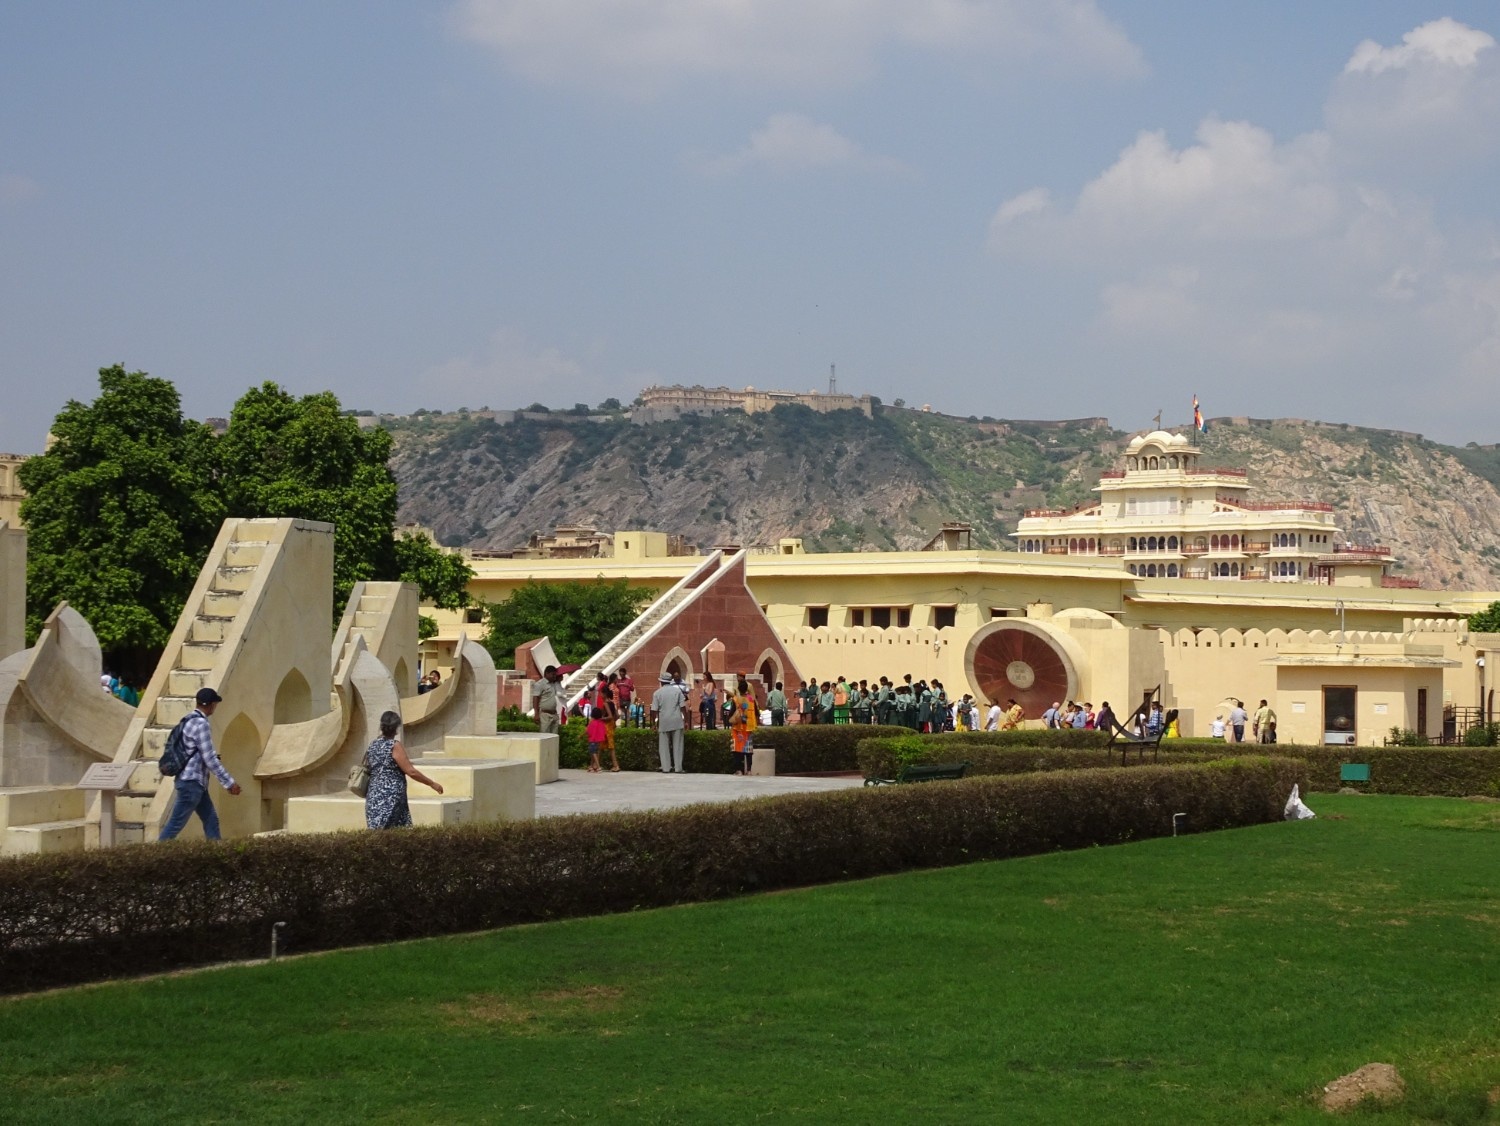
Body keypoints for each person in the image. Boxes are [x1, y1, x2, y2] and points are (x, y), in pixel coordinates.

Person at [159, 688, 242, 840]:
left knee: (211, 820)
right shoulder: (201, 724)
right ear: (211, 705)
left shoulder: (188, 719)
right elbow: (209, 758)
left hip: (193, 782)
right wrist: (229, 783)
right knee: (174, 826)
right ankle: (154, 860)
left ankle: (217, 859)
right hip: (192, 782)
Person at [364, 709, 444, 829]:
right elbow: (411, 771)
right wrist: (432, 783)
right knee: (392, 833)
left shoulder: (373, 745)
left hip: (374, 796)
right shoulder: (394, 745)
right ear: (396, 728)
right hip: (390, 797)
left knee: (377, 834)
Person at [651, 673, 689, 773]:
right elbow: (683, 708)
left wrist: (654, 723)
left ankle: (666, 767)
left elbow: (654, 710)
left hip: (664, 721)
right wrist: (686, 721)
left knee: (663, 746)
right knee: (678, 745)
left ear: (661, 682)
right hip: (676, 720)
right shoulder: (677, 691)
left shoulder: (657, 693)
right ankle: (678, 768)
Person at [585, 672, 618, 773]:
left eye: (601, 693)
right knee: (609, 747)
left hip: (606, 727)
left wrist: (601, 719)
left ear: (604, 694)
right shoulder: (612, 703)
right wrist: (613, 722)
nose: (600, 695)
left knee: (600, 747)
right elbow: (616, 715)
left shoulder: (606, 703)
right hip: (611, 726)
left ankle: (596, 765)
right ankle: (610, 765)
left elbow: (610, 716)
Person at [729, 674, 758, 775]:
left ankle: (739, 770)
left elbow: (731, 713)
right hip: (748, 727)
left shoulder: (736, 699)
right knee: (748, 750)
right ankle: (749, 770)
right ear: (746, 689)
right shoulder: (751, 699)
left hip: (737, 728)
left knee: (737, 749)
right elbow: (756, 712)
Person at [532, 664, 562, 735]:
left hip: (554, 714)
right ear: (547, 673)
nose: (554, 676)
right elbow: (535, 698)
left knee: (554, 737)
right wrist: (536, 714)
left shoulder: (554, 683)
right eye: (553, 674)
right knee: (544, 736)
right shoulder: (540, 684)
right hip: (545, 714)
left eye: (555, 675)